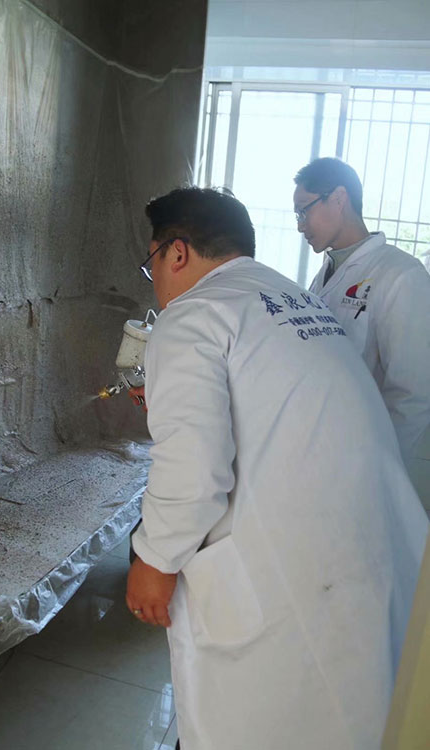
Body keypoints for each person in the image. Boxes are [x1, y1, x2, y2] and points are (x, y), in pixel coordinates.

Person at [126, 186, 428, 750]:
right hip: (365, 558)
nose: (156, 281)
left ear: (177, 252)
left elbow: (193, 473)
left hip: (292, 585)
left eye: (152, 264)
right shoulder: (293, 298)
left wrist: (154, 559)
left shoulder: (190, 316)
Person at [293, 157, 430, 506]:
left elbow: (413, 395)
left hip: (373, 465)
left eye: (304, 211)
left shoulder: (401, 274)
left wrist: (386, 475)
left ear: (339, 198)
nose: (300, 225)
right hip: (326, 454)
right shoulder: (325, 273)